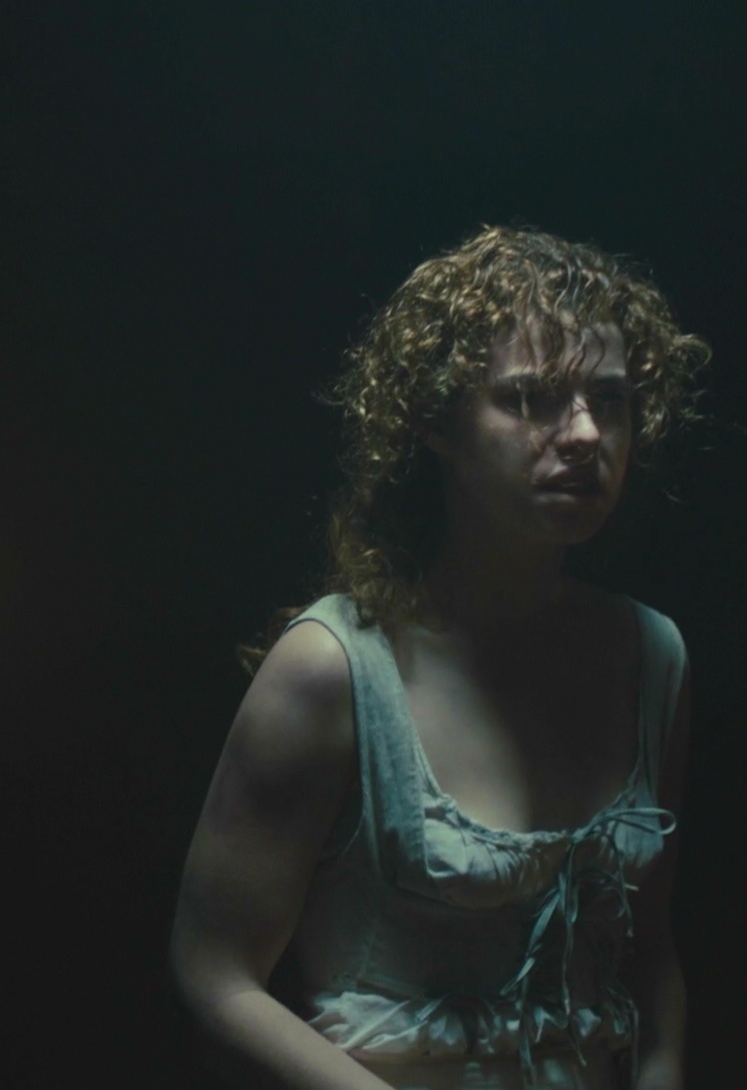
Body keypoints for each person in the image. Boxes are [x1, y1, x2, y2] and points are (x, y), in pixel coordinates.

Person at [169, 226, 710, 1090]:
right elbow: (214, 973)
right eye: (530, 397)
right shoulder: (334, 669)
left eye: (609, 401)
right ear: (436, 423)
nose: (583, 433)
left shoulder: (651, 655)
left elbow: (649, 953)